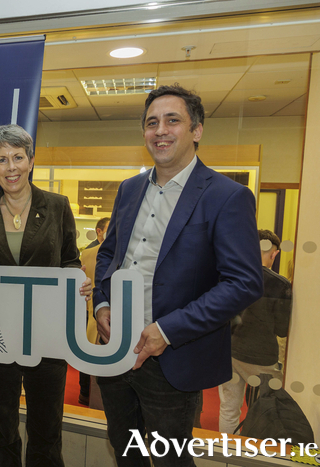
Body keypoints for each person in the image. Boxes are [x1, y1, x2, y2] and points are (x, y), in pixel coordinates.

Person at [93, 84, 263, 466]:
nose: (161, 130)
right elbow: (109, 254)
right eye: (152, 123)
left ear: (196, 131)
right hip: (116, 353)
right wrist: (101, 303)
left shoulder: (226, 196)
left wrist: (167, 331)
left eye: (173, 120)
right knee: (126, 454)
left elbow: (244, 283)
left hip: (172, 361)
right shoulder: (130, 189)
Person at [0, 124, 91, 467]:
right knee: (1, 428)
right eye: (2, 159)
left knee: (47, 429)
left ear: (31, 161)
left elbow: (70, 260)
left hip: (47, 336)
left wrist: (78, 280)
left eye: (18, 157)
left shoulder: (58, 207)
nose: (11, 167)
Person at [218, 229, 292, 434]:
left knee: (229, 409)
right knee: (264, 411)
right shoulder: (280, 284)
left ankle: (228, 458)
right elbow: (282, 329)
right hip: (262, 359)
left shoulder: (231, 276)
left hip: (231, 352)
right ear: (274, 253)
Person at [78, 216, 110, 405]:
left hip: (90, 316)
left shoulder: (87, 254)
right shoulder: (111, 255)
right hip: (105, 319)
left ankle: (84, 396)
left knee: (87, 364)